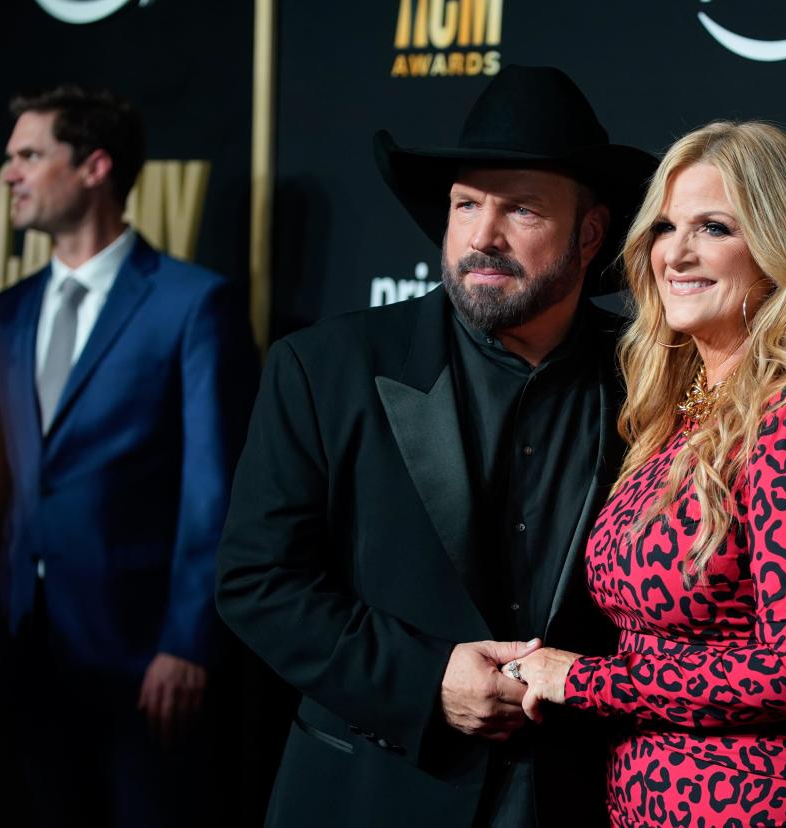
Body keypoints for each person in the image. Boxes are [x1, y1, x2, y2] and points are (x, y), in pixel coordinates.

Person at [214, 65, 658, 827]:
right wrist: (426, 681)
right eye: (464, 205)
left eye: (520, 208)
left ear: (589, 234)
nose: (481, 236)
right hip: (371, 790)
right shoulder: (324, 368)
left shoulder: (652, 379)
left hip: (583, 793)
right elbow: (259, 583)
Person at [511, 121, 786, 826]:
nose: (675, 254)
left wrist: (580, 678)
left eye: (713, 227)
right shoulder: (678, 406)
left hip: (767, 807)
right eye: (664, 226)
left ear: (781, 250)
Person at [0, 85, 257, 826]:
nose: (9, 173)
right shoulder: (9, 312)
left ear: (94, 166)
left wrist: (186, 643)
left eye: (28, 155)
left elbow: (214, 491)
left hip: (140, 657)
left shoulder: (191, 304)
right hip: (20, 651)